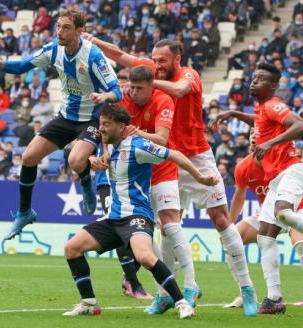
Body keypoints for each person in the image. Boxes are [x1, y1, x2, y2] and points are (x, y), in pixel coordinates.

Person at [87, 36, 258, 316]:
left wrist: (147, 83)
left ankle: (246, 288)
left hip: (195, 155)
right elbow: (121, 55)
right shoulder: (148, 73)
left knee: (222, 220)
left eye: (162, 61)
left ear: (177, 58)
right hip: (161, 160)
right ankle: (167, 292)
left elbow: (180, 90)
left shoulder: (187, 75)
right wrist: (92, 40)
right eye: (153, 60)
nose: (156, 65)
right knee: (165, 226)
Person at [0, 10, 122, 240]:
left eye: (66, 28)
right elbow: (23, 65)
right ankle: (24, 213)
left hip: (90, 118)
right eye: (58, 26)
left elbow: (117, 91)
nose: (59, 32)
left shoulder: (93, 56)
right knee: (29, 157)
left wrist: (105, 97)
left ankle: (85, 184)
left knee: (75, 160)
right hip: (65, 116)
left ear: (79, 31)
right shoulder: (54, 49)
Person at [217, 63, 303, 314]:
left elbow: (302, 125)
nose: (253, 82)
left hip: (292, 170)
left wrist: (270, 143)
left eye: (260, 79)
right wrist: (234, 114)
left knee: (283, 215)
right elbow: (258, 121)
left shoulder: (273, 104)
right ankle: (275, 298)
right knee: (265, 236)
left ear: (273, 86)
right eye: (253, 77)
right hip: (277, 181)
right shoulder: (261, 109)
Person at [62, 105, 217, 318]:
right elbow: (81, 154)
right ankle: (89, 303)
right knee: (72, 248)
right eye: (100, 124)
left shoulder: (138, 146)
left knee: (144, 256)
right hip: (113, 218)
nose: (101, 129)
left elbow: (175, 154)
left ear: (121, 127)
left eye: (106, 124)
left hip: (136, 216)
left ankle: (181, 303)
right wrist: (92, 160)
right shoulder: (110, 147)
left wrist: (200, 177)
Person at [97, 65, 199, 306]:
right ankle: (163, 295)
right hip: (135, 177)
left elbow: (163, 140)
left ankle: (191, 286)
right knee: (145, 236)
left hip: (162, 171)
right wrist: (105, 154)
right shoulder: (124, 100)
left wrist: (138, 133)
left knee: (171, 226)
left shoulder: (163, 100)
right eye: (131, 87)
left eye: (139, 88)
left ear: (151, 87)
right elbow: (108, 133)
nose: (133, 92)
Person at [226, 152, 303, 312]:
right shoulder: (243, 167)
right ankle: (247, 293)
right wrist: (228, 225)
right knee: (230, 239)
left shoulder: (284, 162)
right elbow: (239, 197)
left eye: (259, 136)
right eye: (252, 137)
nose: (255, 139)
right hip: (268, 213)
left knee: (301, 244)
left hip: (296, 210)